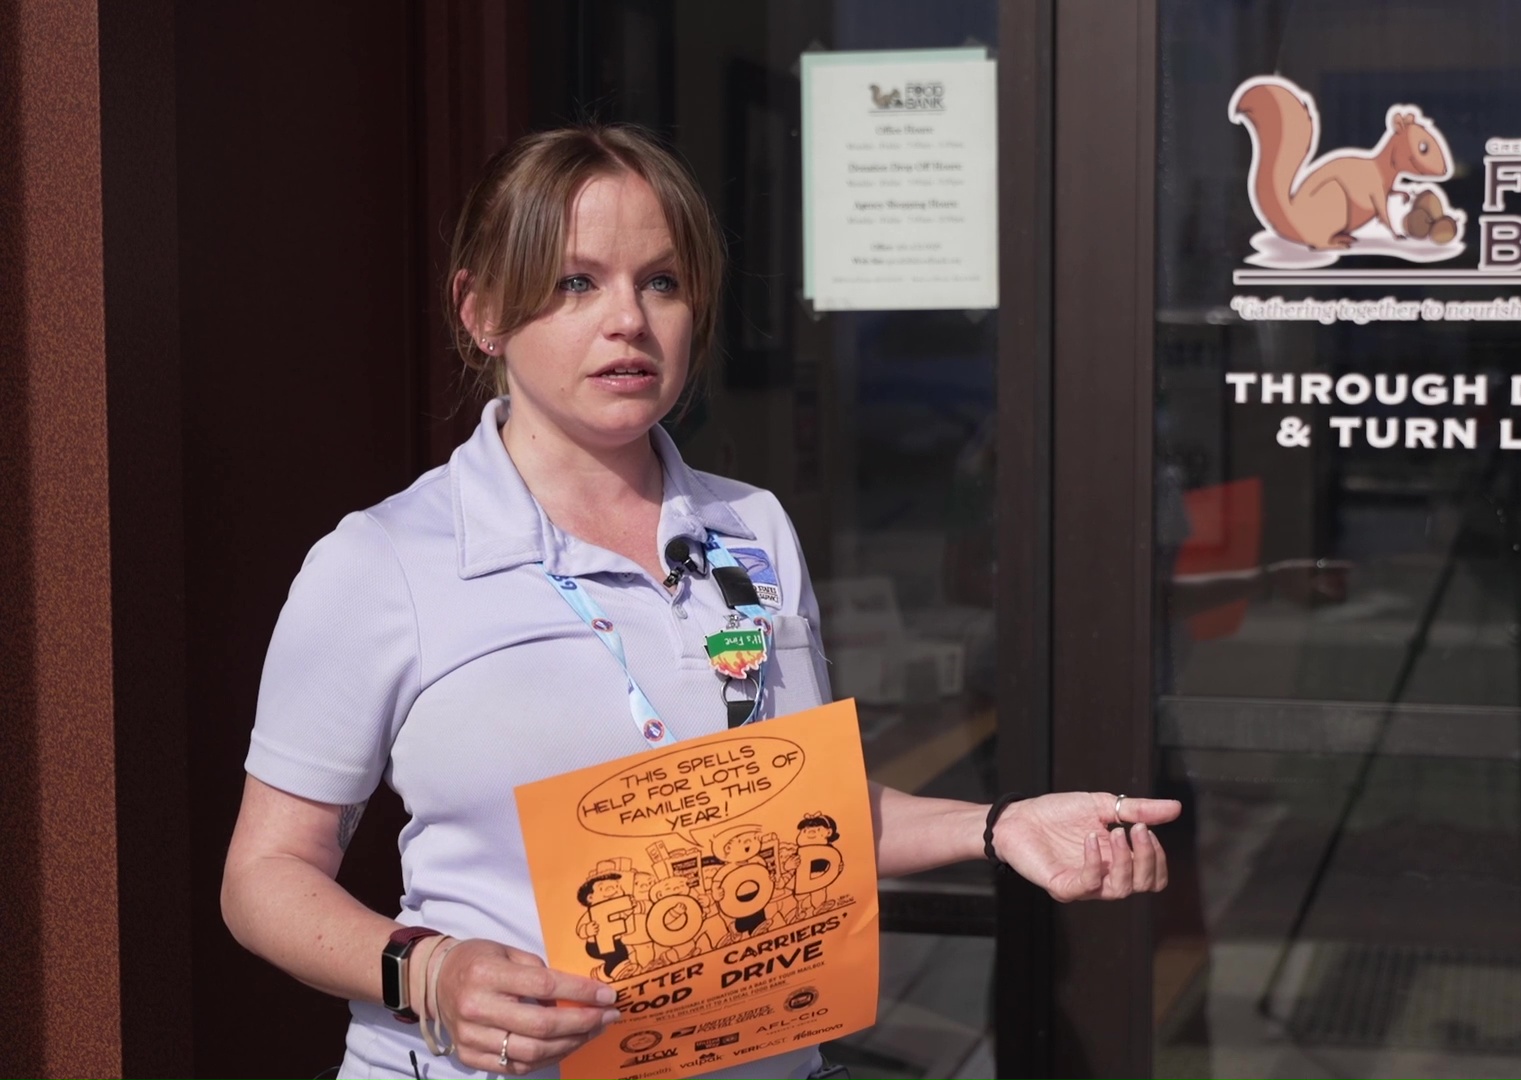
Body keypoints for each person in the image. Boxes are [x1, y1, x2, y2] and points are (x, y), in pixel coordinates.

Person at [220, 123, 1181, 1080]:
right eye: (576, 282)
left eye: (662, 282)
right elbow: (264, 876)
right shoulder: (385, 561)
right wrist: (428, 972)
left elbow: (796, 810)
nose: (628, 320)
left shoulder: (749, 526)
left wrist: (997, 827)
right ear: (481, 311)